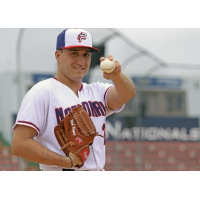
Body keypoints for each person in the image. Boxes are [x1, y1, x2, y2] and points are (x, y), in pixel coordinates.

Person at [12, 28, 136, 171]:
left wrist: (117, 76)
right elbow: (19, 144)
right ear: (58, 55)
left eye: (86, 54)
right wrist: (67, 162)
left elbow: (127, 93)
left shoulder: (97, 91)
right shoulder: (41, 92)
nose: (81, 61)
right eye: (74, 53)